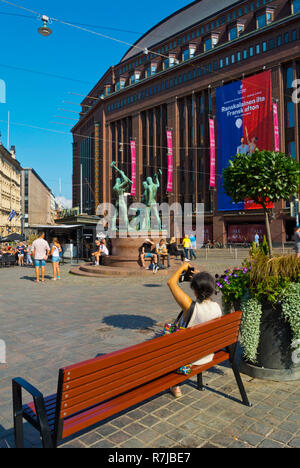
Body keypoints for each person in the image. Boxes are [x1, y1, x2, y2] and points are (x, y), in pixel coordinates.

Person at [167, 263, 222, 398]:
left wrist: (182, 267)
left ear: (195, 290)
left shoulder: (191, 307)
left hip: (189, 358)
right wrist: (200, 277)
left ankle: (175, 385)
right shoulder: (217, 307)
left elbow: (171, 283)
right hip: (207, 354)